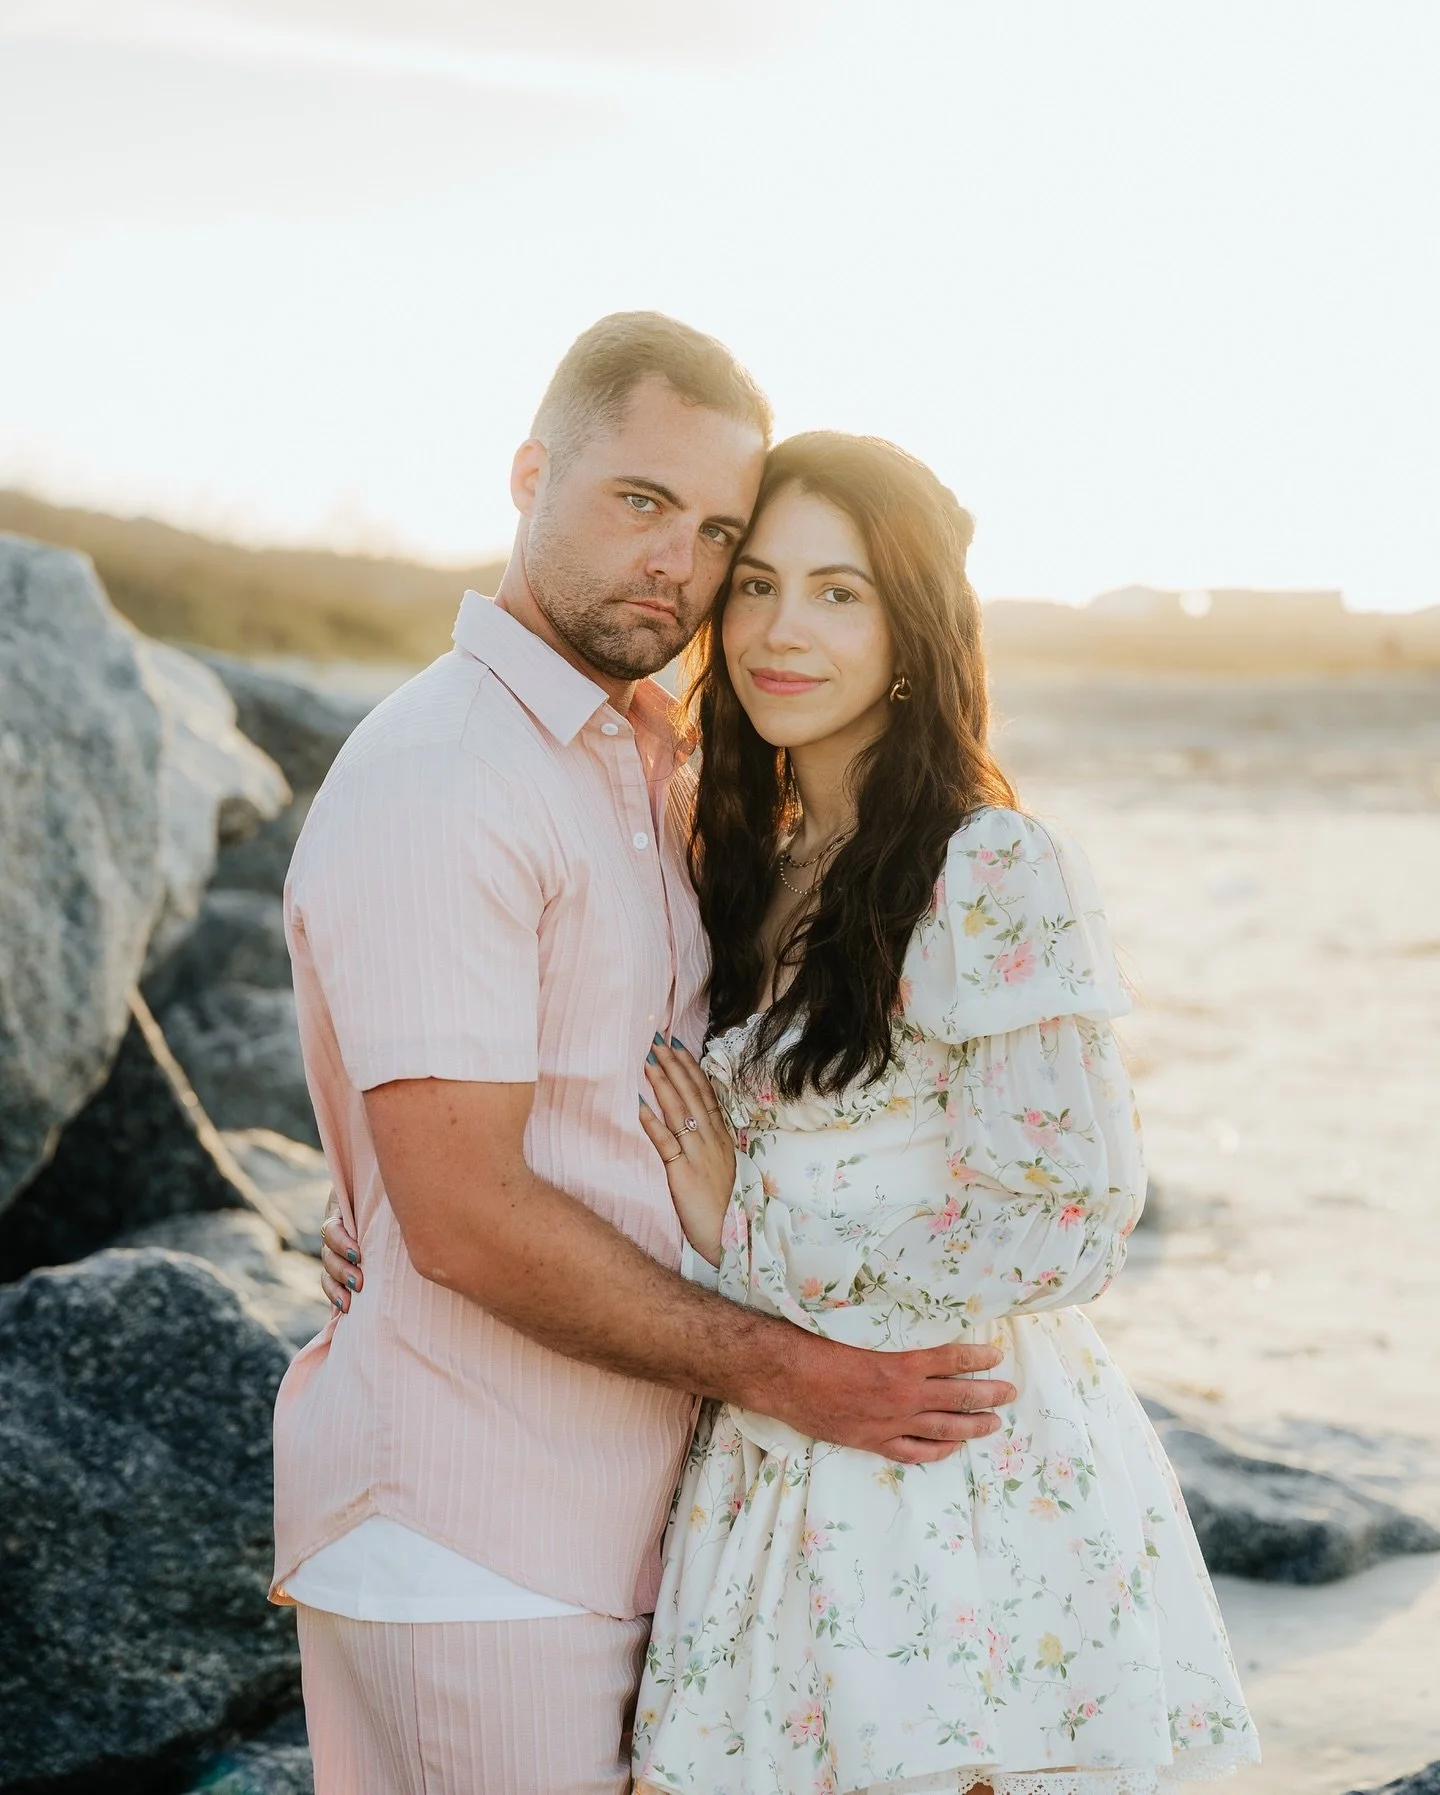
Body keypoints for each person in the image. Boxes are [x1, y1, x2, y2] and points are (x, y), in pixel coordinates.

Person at [275, 315, 1015, 1795]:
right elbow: (471, 1214)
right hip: (468, 1532)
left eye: (715, 529)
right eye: (637, 502)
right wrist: (803, 1374)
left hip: (636, 1527)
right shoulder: (446, 775)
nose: (674, 562)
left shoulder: (652, 766)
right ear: (530, 471)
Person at [627, 432, 1260, 1794]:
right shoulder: (758, 858)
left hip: (943, 1460)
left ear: (913, 627)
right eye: (759, 585)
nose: (781, 630)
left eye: (840, 592)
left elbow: (1071, 1220)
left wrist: (742, 1226)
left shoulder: (990, 866)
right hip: (782, 1455)